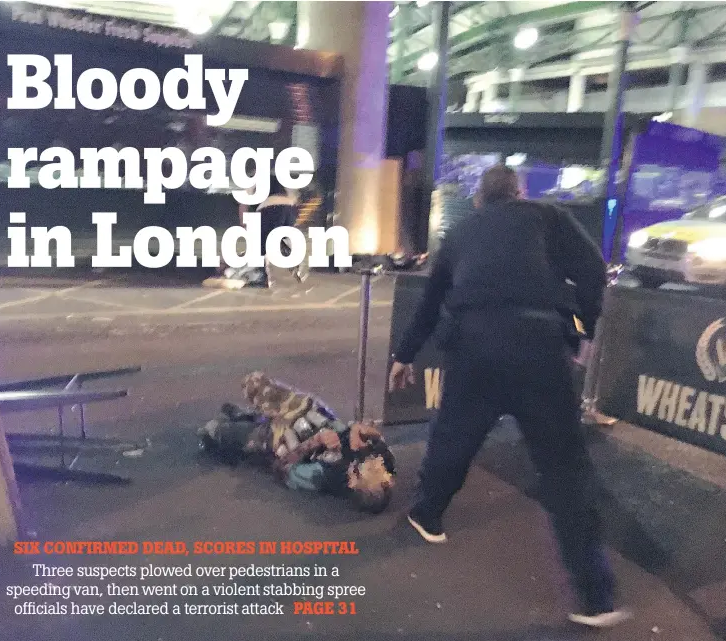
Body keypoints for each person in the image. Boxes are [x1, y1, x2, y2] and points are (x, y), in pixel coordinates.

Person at [388, 164, 629, 628]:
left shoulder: (461, 232)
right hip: (540, 341)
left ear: (479, 199)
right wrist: (580, 327)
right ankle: (596, 597)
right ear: (518, 193)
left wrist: (405, 354)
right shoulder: (548, 217)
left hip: (476, 343)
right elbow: (593, 270)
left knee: (453, 437)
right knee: (564, 469)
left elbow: (431, 299)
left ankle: (429, 515)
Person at [197, 372, 396, 513]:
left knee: (219, 430)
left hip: (282, 437)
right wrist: (357, 429)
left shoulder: (325, 476)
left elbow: (282, 468)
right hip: (309, 413)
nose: (376, 464)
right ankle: (249, 415)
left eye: (372, 472)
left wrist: (315, 441)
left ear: (353, 481)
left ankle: (222, 429)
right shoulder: (381, 460)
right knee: (255, 382)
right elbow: (374, 434)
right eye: (382, 472)